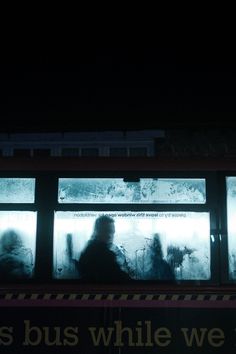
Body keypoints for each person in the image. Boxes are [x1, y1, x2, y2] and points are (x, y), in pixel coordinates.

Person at [78, 215, 131, 283]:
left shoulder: (89, 249)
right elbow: (121, 277)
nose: (110, 236)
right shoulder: (103, 254)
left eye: (112, 232)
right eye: (106, 231)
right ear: (98, 231)